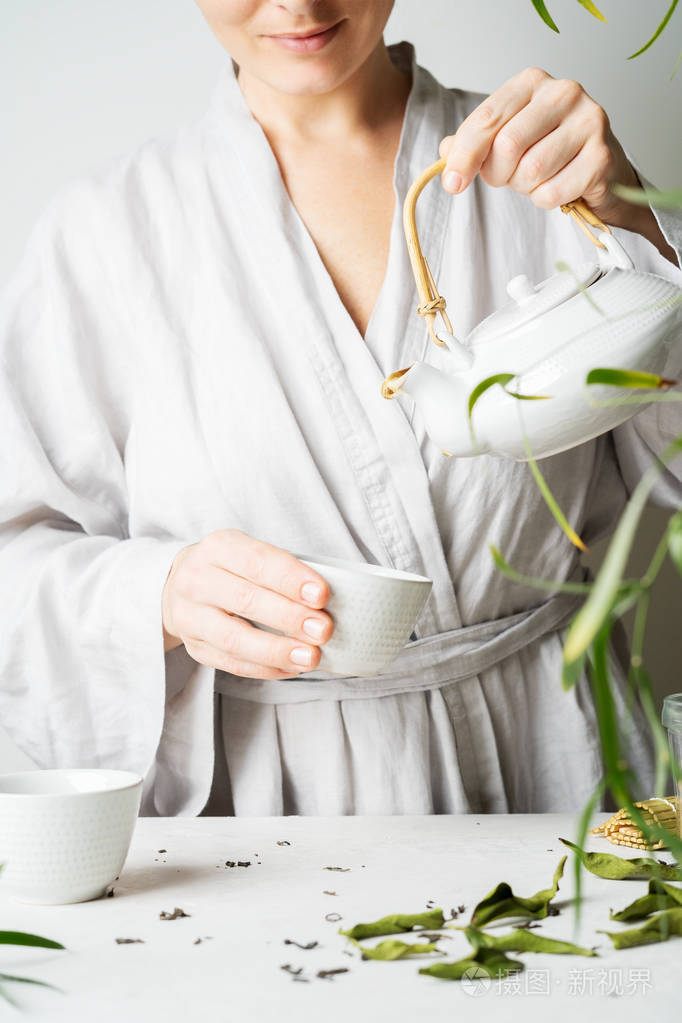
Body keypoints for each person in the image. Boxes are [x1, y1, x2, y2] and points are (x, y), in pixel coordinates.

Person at [1, 1, 680, 818]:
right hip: (280, 813)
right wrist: (163, 593)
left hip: (564, 768)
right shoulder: (104, 236)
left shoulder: (547, 169)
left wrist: (639, 229)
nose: (299, 5)